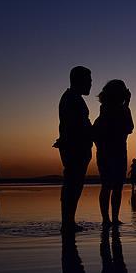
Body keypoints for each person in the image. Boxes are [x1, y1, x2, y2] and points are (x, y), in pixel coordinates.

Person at [55, 66, 93, 232]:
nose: (91, 84)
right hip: (75, 148)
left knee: (74, 184)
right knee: (73, 184)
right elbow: (75, 126)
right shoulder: (72, 99)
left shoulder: (72, 97)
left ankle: (69, 221)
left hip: (75, 147)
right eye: (89, 80)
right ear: (80, 81)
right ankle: (68, 223)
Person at [92, 79, 134, 227]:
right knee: (114, 186)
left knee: (109, 186)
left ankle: (109, 219)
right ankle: (110, 219)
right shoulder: (115, 110)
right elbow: (129, 128)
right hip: (115, 152)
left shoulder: (106, 110)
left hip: (109, 152)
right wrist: (127, 104)